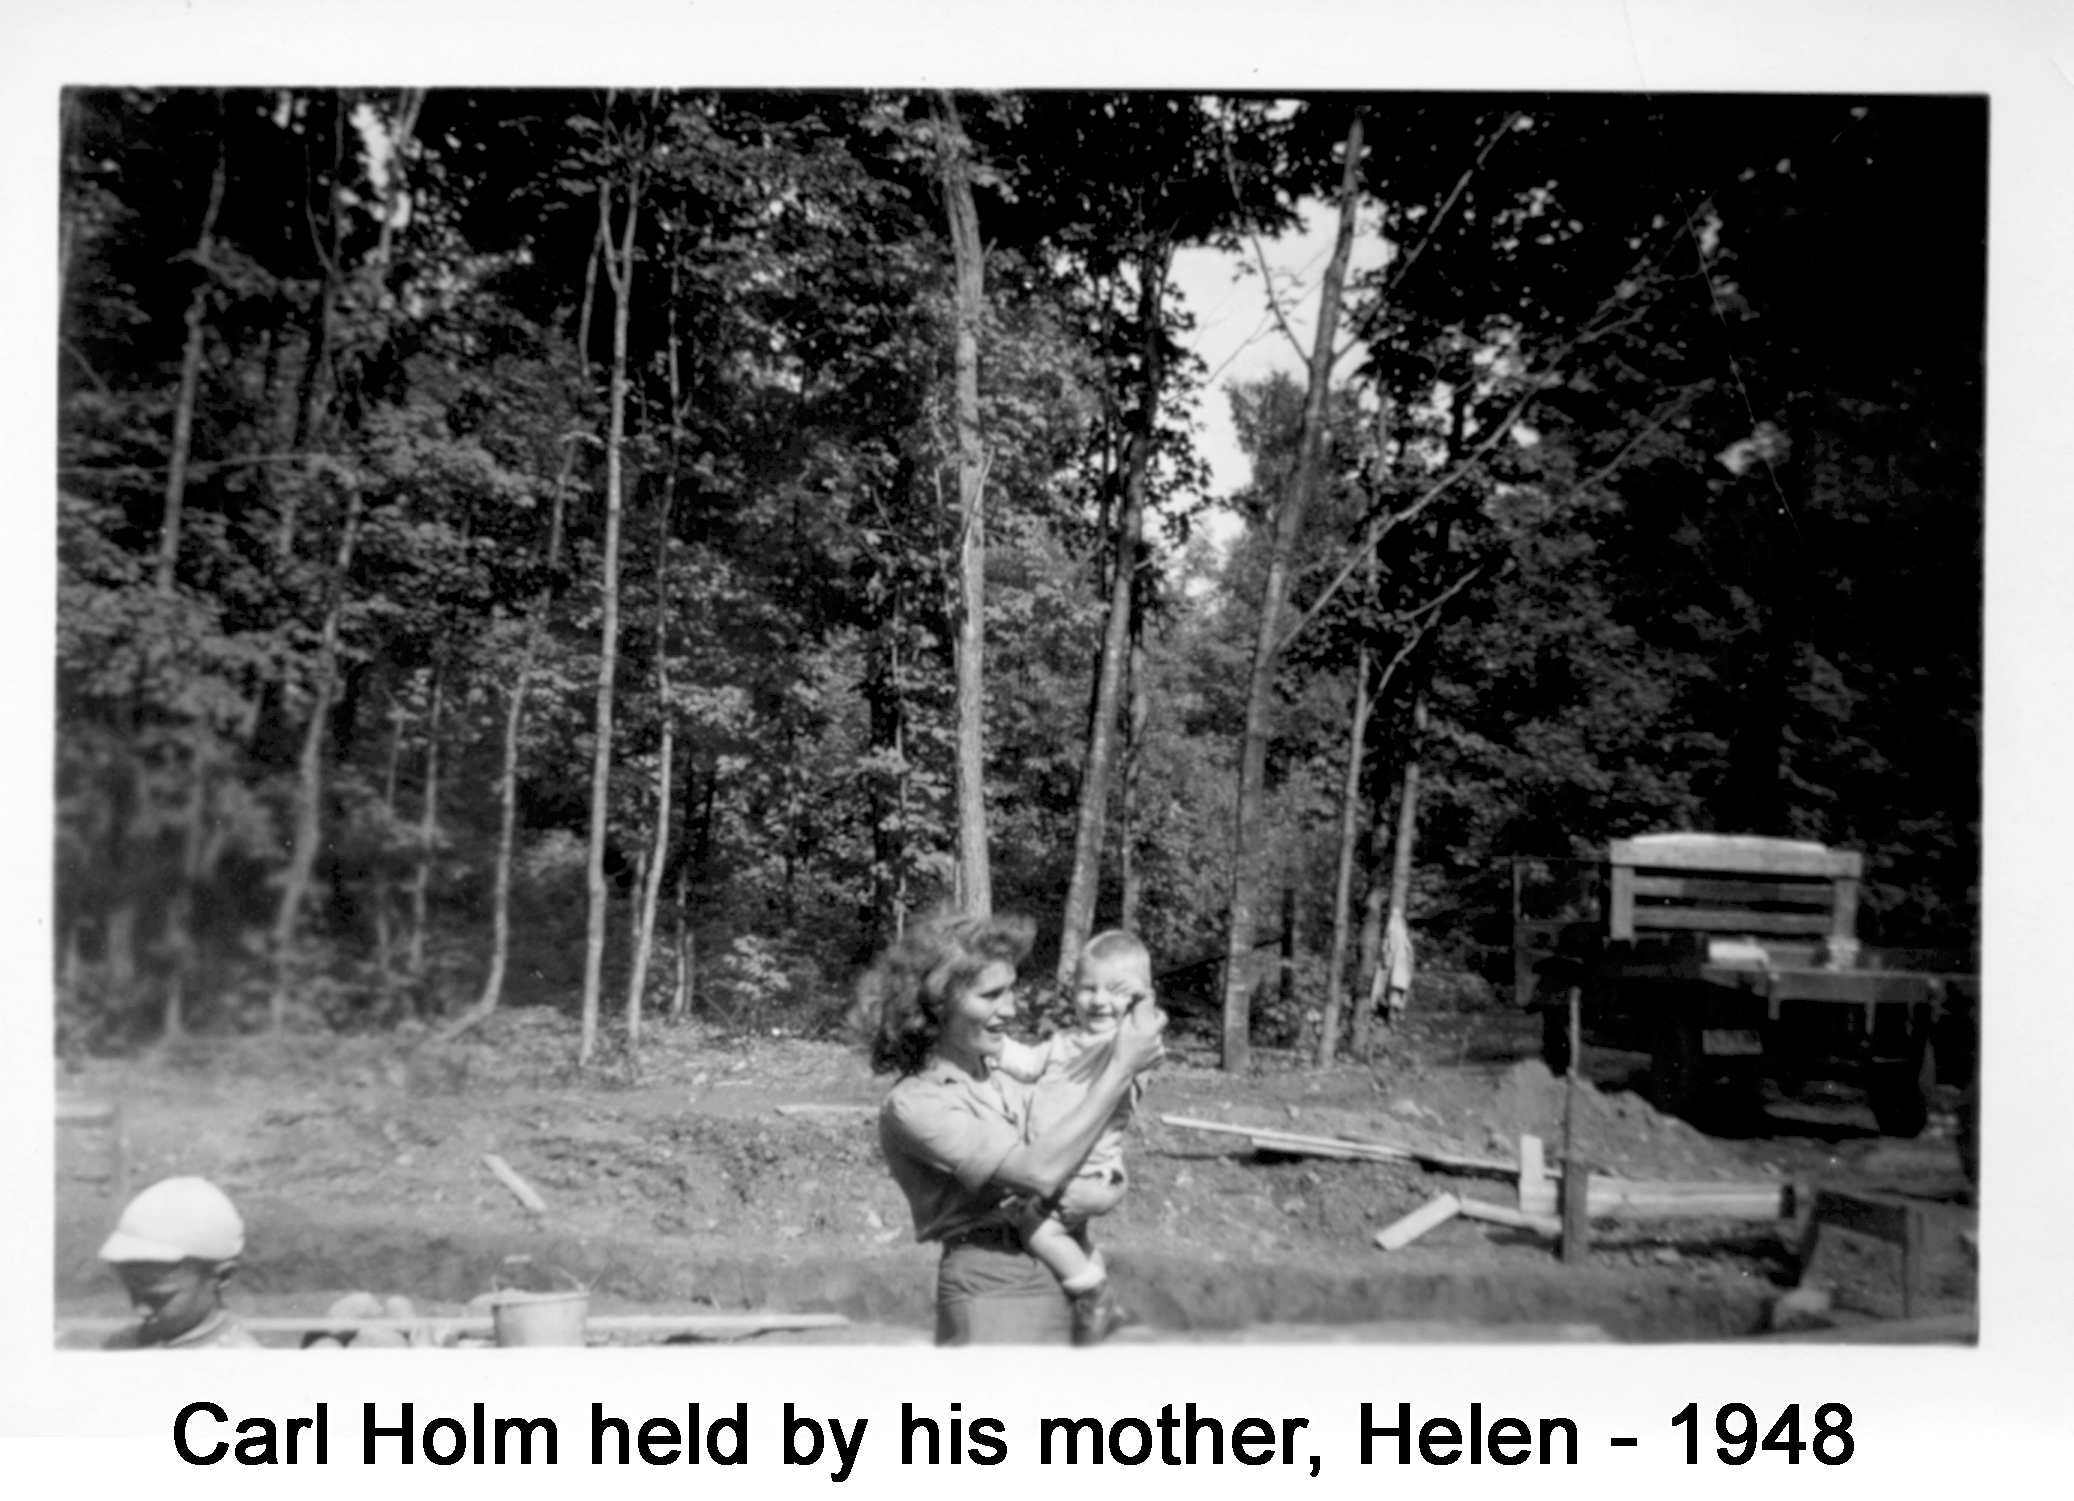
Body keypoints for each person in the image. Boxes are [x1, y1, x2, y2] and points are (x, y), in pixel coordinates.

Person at [859, 913, 1165, 1346]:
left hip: (1065, 1273)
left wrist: (1113, 1182)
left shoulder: (1007, 1074)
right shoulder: (917, 1102)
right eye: (992, 995)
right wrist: (1120, 1068)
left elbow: (1084, 1137)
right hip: (995, 1285)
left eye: (1010, 991)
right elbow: (1036, 1173)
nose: (1012, 1008)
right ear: (940, 1003)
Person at [993, 929, 1154, 1342]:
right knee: (1073, 1238)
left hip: (1087, 1174)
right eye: (1088, 989)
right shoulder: (1064, 1041)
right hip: (1063, 1170)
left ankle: (1094, 1296)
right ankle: (1103, 1304)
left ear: (1137, 998)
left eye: (1116, 991)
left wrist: (1142, 1002)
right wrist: (991, 1045)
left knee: (1037, 1230)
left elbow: (1147, 1027)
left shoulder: (1126, 1045)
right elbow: (1026, 1062)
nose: (1099, 1000)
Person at [97, 1176, 261, 1349]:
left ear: (222, 1277)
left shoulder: (240, 1363)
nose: (140, 1309)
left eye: (158, 1297)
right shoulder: (124, 1344)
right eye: (132, 1290)